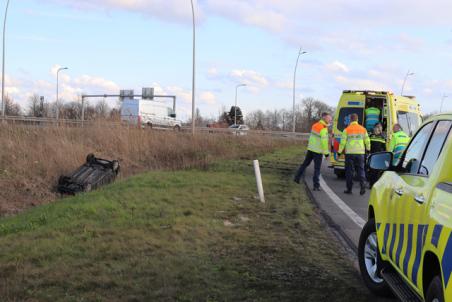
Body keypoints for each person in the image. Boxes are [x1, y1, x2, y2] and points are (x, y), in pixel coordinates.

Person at [294, 112, 332, 191]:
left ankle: (297, 178)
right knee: (317, 169)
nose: (330, 120)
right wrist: (327, 154)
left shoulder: (315, 125)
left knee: (305, 164)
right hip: (318, 151)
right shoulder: (323, 128)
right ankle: (316, 185)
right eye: (329, 118)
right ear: (324, 118)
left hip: (311, 149)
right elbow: (324, 143)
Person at [338, 113, 370, 195]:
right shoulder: (363, 129)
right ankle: (362, 185)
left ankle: (349, 189)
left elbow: (342, 142)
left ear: (350, 120)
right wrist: (368, 150)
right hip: (360, 153)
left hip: (350, 153)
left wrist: (339, 152)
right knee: (361, 170)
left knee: (349, 172)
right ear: (357, 120)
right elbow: (367, 141)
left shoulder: (347, 130)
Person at [368, 123, 386, 187]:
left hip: (378, 156)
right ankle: (371, 184)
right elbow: (368, 145)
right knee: (372, 170)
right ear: (374, 128)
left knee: (377, 171)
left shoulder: (382, 137)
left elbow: (384, 148)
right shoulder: (371, 136)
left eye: (379, 127)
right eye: (376, 127)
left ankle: (375, 185)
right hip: (372, 156)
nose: (377, 129)